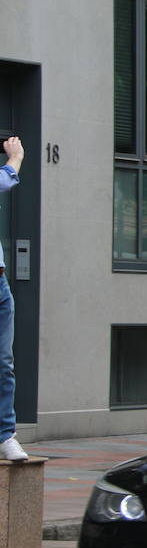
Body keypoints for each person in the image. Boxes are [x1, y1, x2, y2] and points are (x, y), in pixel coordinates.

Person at [0, 137, 26, 461]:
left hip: (1, 286)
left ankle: (6, 435)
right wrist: (16, 156)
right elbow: (5, 180)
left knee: (4, 364)